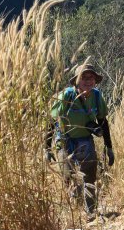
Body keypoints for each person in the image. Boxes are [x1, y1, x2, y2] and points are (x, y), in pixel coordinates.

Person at [45, 63, 114, 217]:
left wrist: (109, 147)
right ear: (77, 80)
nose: (88, 80)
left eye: (91, 77)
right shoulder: (66, 96)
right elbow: (51, 121)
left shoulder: (96, 96)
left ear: (95, 80)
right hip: (64, 140)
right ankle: (74, 209)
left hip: (84, 139)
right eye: (84, 77)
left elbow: (103, 122)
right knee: (68, 175)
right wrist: (46, 148)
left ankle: (90, 211)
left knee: (89, 174)